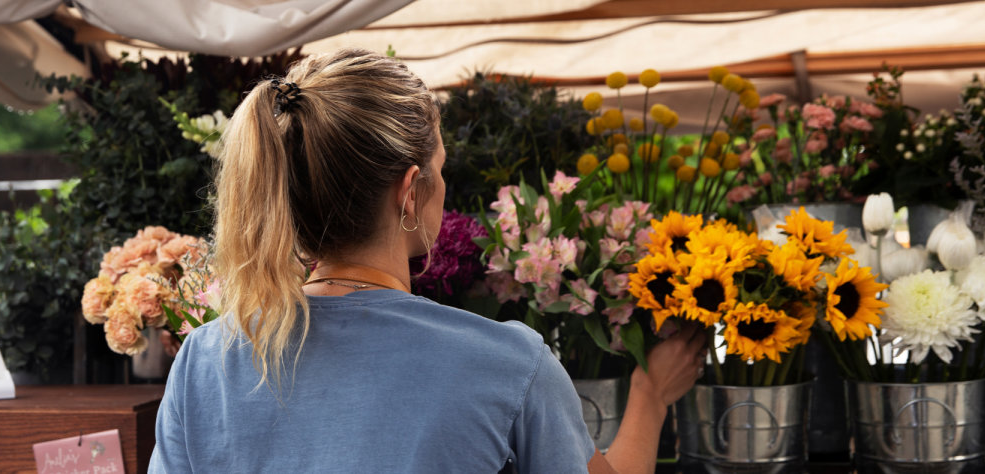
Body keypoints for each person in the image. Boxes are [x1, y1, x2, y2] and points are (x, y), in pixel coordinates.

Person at [149, 48, 706, 474]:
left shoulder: (204, 360)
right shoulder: (508, 364)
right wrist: (652, 396)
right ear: (411, 190)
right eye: (440, 166)